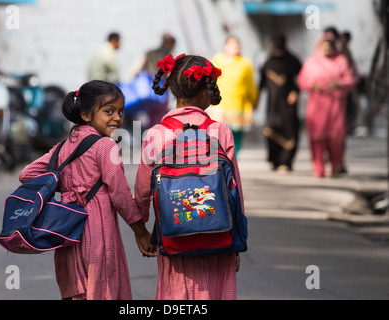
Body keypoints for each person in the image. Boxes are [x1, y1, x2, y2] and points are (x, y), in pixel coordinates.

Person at [19, 80, 155, 300]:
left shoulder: (62, 147)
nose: (117, 117)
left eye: (120, 111)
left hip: (66, 230)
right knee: (102, 288)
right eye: (108, 111)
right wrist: (140, 231)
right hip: (97, 231)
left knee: (78, 288)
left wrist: (66, 188)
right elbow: (120, 194)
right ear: (85, 115)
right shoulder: (105, 146)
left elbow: (27, 173)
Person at [134, 54, 245, 299]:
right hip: (219, 237)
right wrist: (237, 238)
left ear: (173, 89)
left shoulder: (156, 135)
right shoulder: (220, 131)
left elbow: (142, 190)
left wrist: (141, 230)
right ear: (206, 93)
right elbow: (234, 189)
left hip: (173, 237)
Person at [297, 32, 355, 178]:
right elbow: (302, 81)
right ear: (319, 47)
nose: (327, 49)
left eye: (330, 46)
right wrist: (313, 85)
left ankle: (336, 166)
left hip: (335, 107)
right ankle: (319, 168)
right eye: (324, 46)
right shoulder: (311, 62)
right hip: (317, 107)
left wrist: (338, 83)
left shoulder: (341, 61)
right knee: (317, 139)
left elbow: (350, 80)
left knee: (335, 138)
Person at [259, 34, 302, 172]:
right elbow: (261, 83)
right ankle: (275, 160)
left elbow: (301, 78)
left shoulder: (293, 61)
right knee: (271, 129)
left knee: (289, 130)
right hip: (272, 104)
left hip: (288, 105)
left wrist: (296, 91)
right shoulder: (268, 62)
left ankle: (286, 161)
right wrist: (256, 99)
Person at [210, 36, 258, 157]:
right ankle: (219, 162)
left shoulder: (245, 63)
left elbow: (250, 85)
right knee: (218, 135)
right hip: (220, 105)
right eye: (232, 45)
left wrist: (254, 100)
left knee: (235, 138)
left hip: (239, 105)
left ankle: (232, 161)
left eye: (237, 45)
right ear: (225, 46)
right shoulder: (217, 60)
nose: (235, 48)